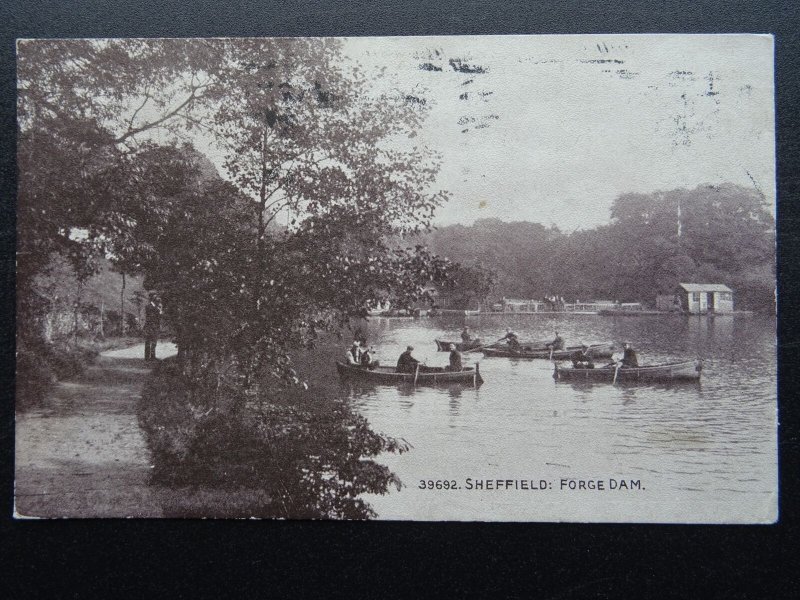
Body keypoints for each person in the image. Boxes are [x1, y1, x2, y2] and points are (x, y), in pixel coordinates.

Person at [143, 293, 162, 361]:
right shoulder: (149, 306)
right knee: (149, 341)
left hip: (154, 326)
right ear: (152, 299)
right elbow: (153, 316)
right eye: (155, 297)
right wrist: (159, 310)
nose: (157, 299)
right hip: (150, 326)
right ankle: (148, 357)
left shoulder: (155, 307)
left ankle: (151, 356)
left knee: (154, 342)